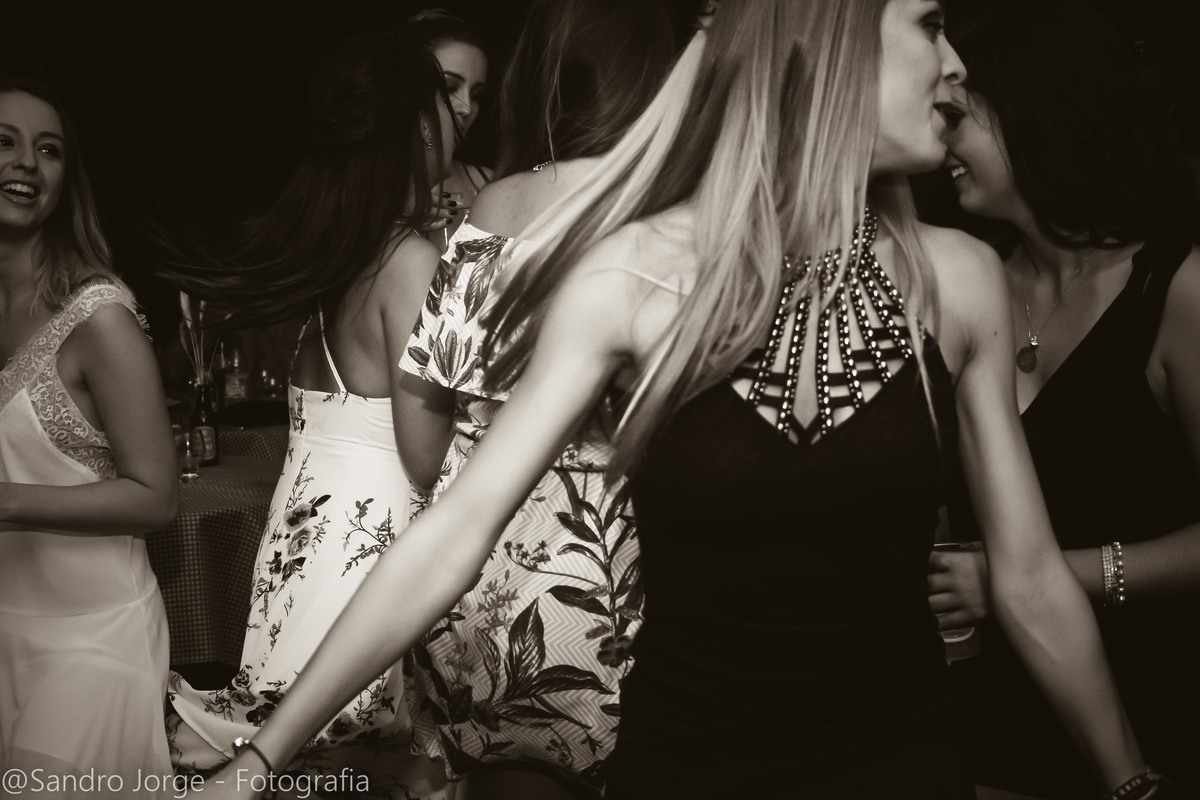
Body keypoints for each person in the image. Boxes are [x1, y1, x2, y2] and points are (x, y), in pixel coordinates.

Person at [198, 3, 1155, 798]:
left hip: (897, 758)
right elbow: (454, 526)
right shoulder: (629, 275)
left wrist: (1134, 782)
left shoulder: (957, 281)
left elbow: (1030, 578)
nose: (955, 65)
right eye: (930, 25)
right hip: (682, 751)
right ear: (827, 39)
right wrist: (260, 758)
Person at [149, 33, 457, 798]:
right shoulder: (408, 262)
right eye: (448, 104)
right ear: (420, 130)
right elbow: (428, 458)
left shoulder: (332, 257)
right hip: (368, 551)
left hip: (301, 548)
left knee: (316, 767)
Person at [397, 2, 677, 797]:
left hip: (481, 572)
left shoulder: (497, 204)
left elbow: (428, 406)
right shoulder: (672, 207)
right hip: (616, 570)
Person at [925, 1, 1200, 796]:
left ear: (1035, 114)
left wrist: (1045, 576)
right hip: (982, 726)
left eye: (959, 120)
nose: (942, 143)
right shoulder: (967, 284)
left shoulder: (1176, 291)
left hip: (1148, 713)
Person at [0, 77, 178, 797]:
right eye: (4, 142)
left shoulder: (98, 317)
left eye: (49, 150)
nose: (27, 162)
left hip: (94, 644)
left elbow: (156, 497)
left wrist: (7, 501)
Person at [398, 9, 492, 245]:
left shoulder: (488, 184)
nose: (467, 107)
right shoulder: (357, 185)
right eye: (450, 87)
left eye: (477, 95)